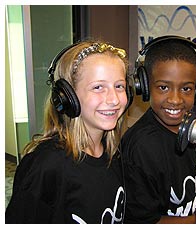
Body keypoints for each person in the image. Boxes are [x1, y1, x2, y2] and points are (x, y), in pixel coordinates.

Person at [5, 40, 132, 224]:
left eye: (119, 86)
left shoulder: (115, 154)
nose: (114, 99)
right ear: (67, 97)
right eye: (98, 87)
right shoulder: (46, 164)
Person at [121, 36, 196, 224]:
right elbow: (142, 222)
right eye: (163, 87)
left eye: (186, 89)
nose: (175, 100)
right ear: (144, 86)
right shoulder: (141, 147)